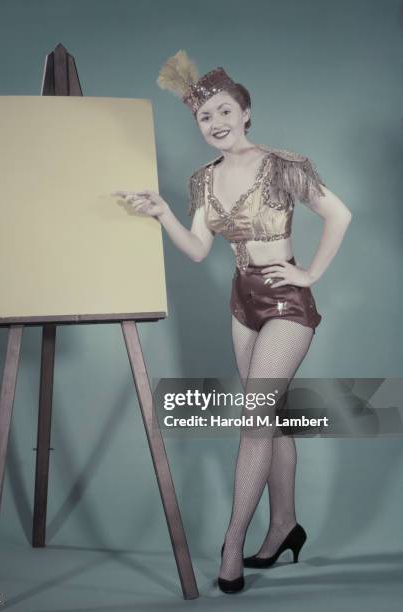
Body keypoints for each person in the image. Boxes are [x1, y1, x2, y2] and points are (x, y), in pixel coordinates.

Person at [113, 50, 352, 594]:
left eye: (224, 111)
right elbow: (199, 250)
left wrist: (310, 272)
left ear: (245, 112)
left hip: (286, 303)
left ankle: (231, 543)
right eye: (204, 117)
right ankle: (284, 525)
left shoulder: (283, 164)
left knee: (254, 420)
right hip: (241, 302)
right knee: (273, 421)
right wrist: (162, 212)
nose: (216, 124)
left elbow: (339, 214)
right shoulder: (202, 181)